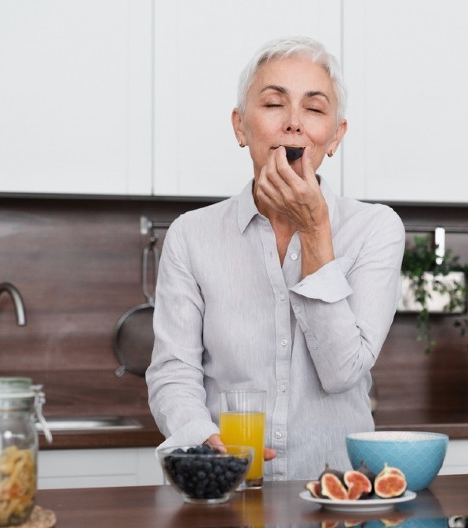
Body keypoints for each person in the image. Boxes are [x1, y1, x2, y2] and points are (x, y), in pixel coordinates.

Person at [146, 36, 405, 481]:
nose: (293, 124)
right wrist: (199, 434)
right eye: (273, 104)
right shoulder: (191, 234)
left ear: (336, 136)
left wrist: (315, 231)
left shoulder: (375, 229)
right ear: (240, 127)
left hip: (336, 491)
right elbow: (173, 370)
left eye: (315, 108)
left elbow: (343, 372)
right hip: (228, 490)